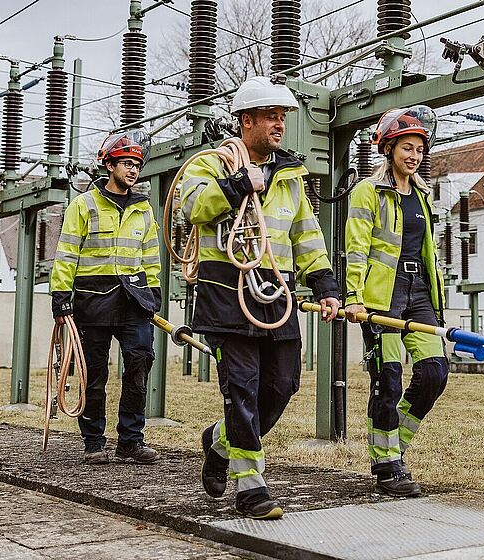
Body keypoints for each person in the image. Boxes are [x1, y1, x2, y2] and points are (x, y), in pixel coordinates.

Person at [178, 76, 341, 519]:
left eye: (283, 116)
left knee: (282, 386)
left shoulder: (289, 175)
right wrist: (235, 185)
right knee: (243, 390)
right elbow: (190, 207)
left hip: (276, 293)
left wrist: (325, 286)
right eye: (271, 115)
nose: (279, 124)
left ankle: (217, 442)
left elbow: (306, 234)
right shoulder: (210, 164)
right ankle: (251, 489)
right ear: (246, 120)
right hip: (225, 293)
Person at [343, 105, 447, 497]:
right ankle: (387, 467)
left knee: (434, 372)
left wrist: (436, 295)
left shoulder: (422, 194)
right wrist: (353, 297)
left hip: (418, 291)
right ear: (388, 149)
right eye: (407, 147)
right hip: (380, 297)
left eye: (420, 148)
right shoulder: (367, 191)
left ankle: (392, 448)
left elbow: (428, 252)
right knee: (387, 379)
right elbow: (356, 249)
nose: (414, 155)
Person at [51, 129, 162, 466]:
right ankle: (94, 442)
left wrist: (152, 292)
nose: (133, 171)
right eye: (127, 164)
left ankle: (130, 441)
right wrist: (60, 296)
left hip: (134, 300)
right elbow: (67, 252)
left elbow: (151, 255)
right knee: (93, 373)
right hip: (92, 300)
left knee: (139, 366)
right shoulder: (82, 205)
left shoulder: (144, 210)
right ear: (109, 165)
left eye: (136, 166)